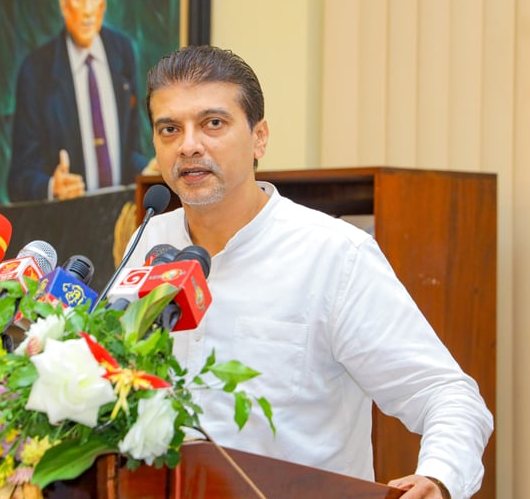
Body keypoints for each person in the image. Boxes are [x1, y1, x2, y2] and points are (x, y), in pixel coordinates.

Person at [122, 46, 493, 499]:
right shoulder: (149, 243)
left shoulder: (334, 254)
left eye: (213, 123)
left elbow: (446, 393)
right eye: (169, 129)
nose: (189, 145)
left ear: (259, 138)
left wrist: (439, 477)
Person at [8, 0, 148, 203]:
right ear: (63, 2)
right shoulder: (36, 70)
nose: (88, 10)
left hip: (122, 221)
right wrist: (51, 187)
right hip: (67, 223)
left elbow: (129, 149)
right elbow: (19, 177)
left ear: (104, 0)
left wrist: (148, 171)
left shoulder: (122, 52)